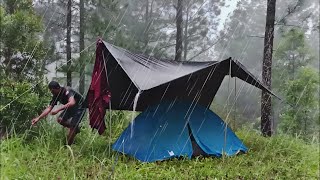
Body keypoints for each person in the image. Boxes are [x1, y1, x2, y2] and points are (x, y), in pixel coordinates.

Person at [31, 81, 86, 145]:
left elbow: (72, 102)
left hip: (80, 107)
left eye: (53, 91)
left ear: (58, 88)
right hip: (71, 107)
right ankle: (75, 129)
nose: (52, 93)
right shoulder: (55, 95)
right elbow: (49, 108)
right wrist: (38, 118)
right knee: (60, 119)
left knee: (72, 128)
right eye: (51, 91)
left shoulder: (67, 90)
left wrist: (57, 110)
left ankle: (68, 146)